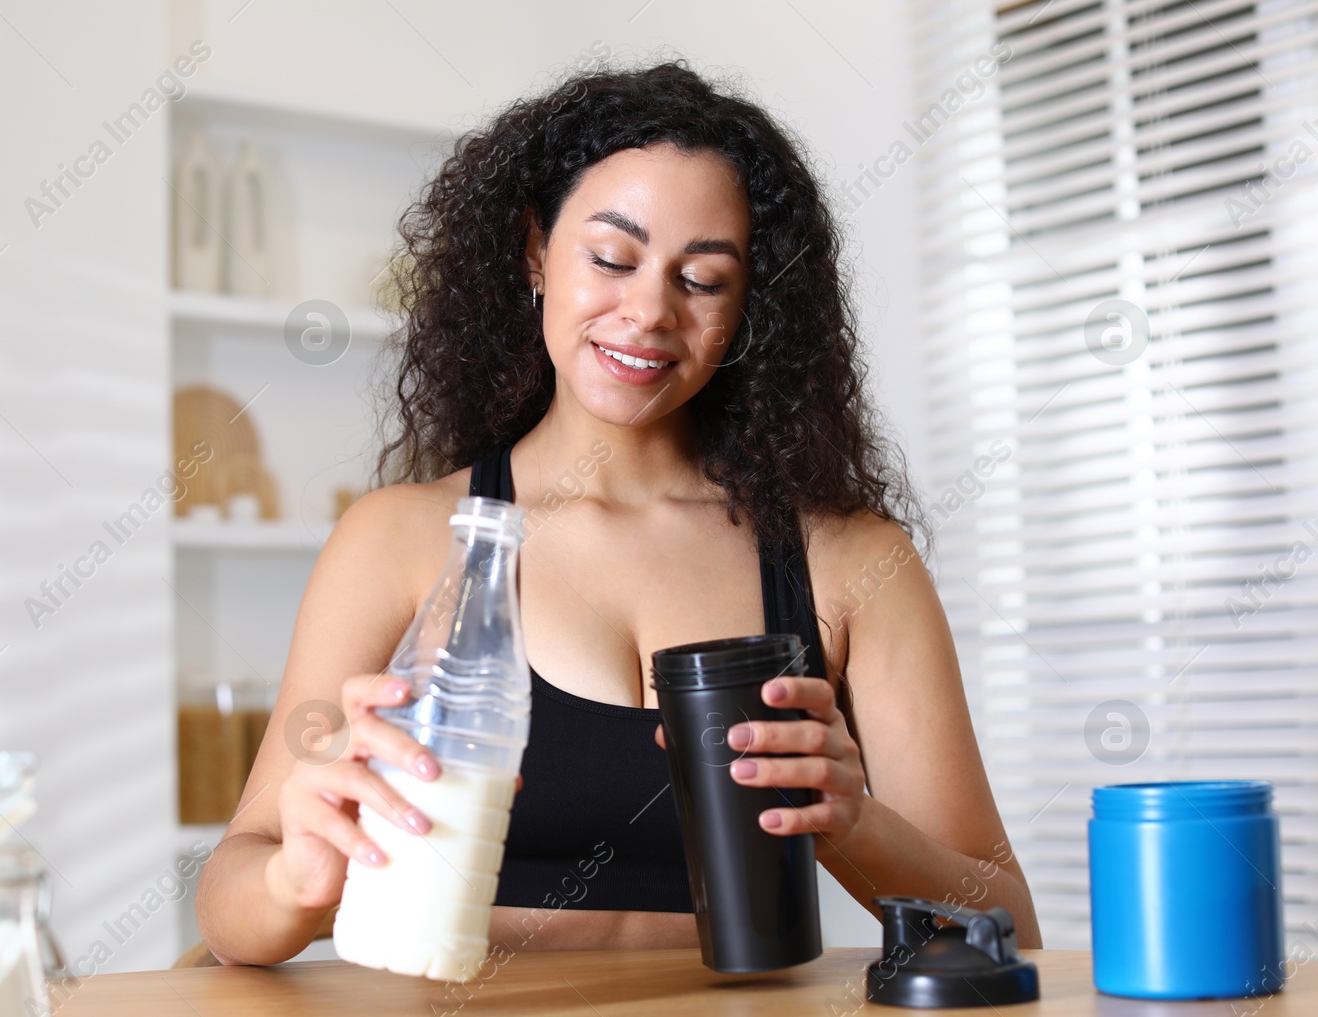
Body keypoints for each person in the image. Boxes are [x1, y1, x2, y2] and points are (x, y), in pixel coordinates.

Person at [197, 60, 1042, 964]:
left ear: (750, 303)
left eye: (704, 280)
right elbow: (232, 891)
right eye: (611, 257)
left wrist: (854, 822)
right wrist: (299, 878)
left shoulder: (850, 561)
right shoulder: (403, 539)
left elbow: (1007, 928)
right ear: (535, 251)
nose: (648, 311)